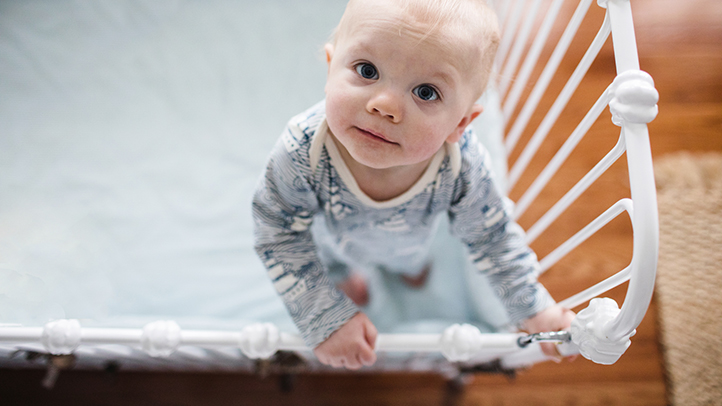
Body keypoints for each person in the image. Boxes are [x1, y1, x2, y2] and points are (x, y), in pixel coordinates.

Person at [253, 0, 575, 370]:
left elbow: (492, 237)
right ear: (330, 70)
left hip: (411, 241)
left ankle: (406, 270)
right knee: (335, 269)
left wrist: (531, 307)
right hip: (333, 241)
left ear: (461, 124)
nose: (385, 105)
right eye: (367, 70)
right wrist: (324, 315)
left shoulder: (461, 165)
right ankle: (346, 279)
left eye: (426, 92)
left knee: (412, 261)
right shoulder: (302, 151)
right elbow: (278, 233)